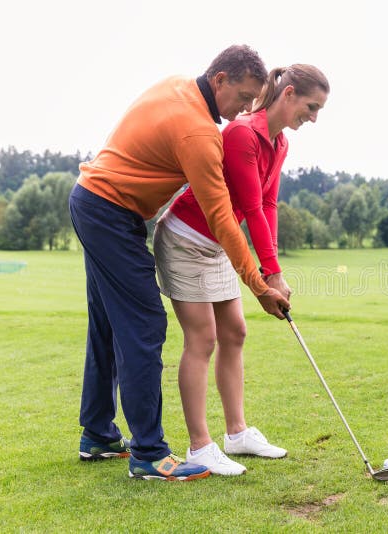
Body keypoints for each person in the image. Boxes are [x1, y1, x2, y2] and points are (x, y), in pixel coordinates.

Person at [68, 44, 290, 482]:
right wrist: (259, 284)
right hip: (109, 211)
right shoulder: (199, 133)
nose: (246, 108)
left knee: (109, 324)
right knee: (145, 324)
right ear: (221, 79)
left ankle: (98, 434)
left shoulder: (178, 86)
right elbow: (223, 219)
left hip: (97, 202)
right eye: (243, 96)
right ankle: (149, 453)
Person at [152, 64, 330, 475]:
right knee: (203, 338)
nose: (314, 117)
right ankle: (200, 446)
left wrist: (274, 270)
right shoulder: (241, 134)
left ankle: (237, 433)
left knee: (236, 332)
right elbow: (249, 207)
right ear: (287, 95)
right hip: (185, 240)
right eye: (311, 106)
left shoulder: (279, 142)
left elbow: (268, 206)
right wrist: (268, 275)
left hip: (217, 245)